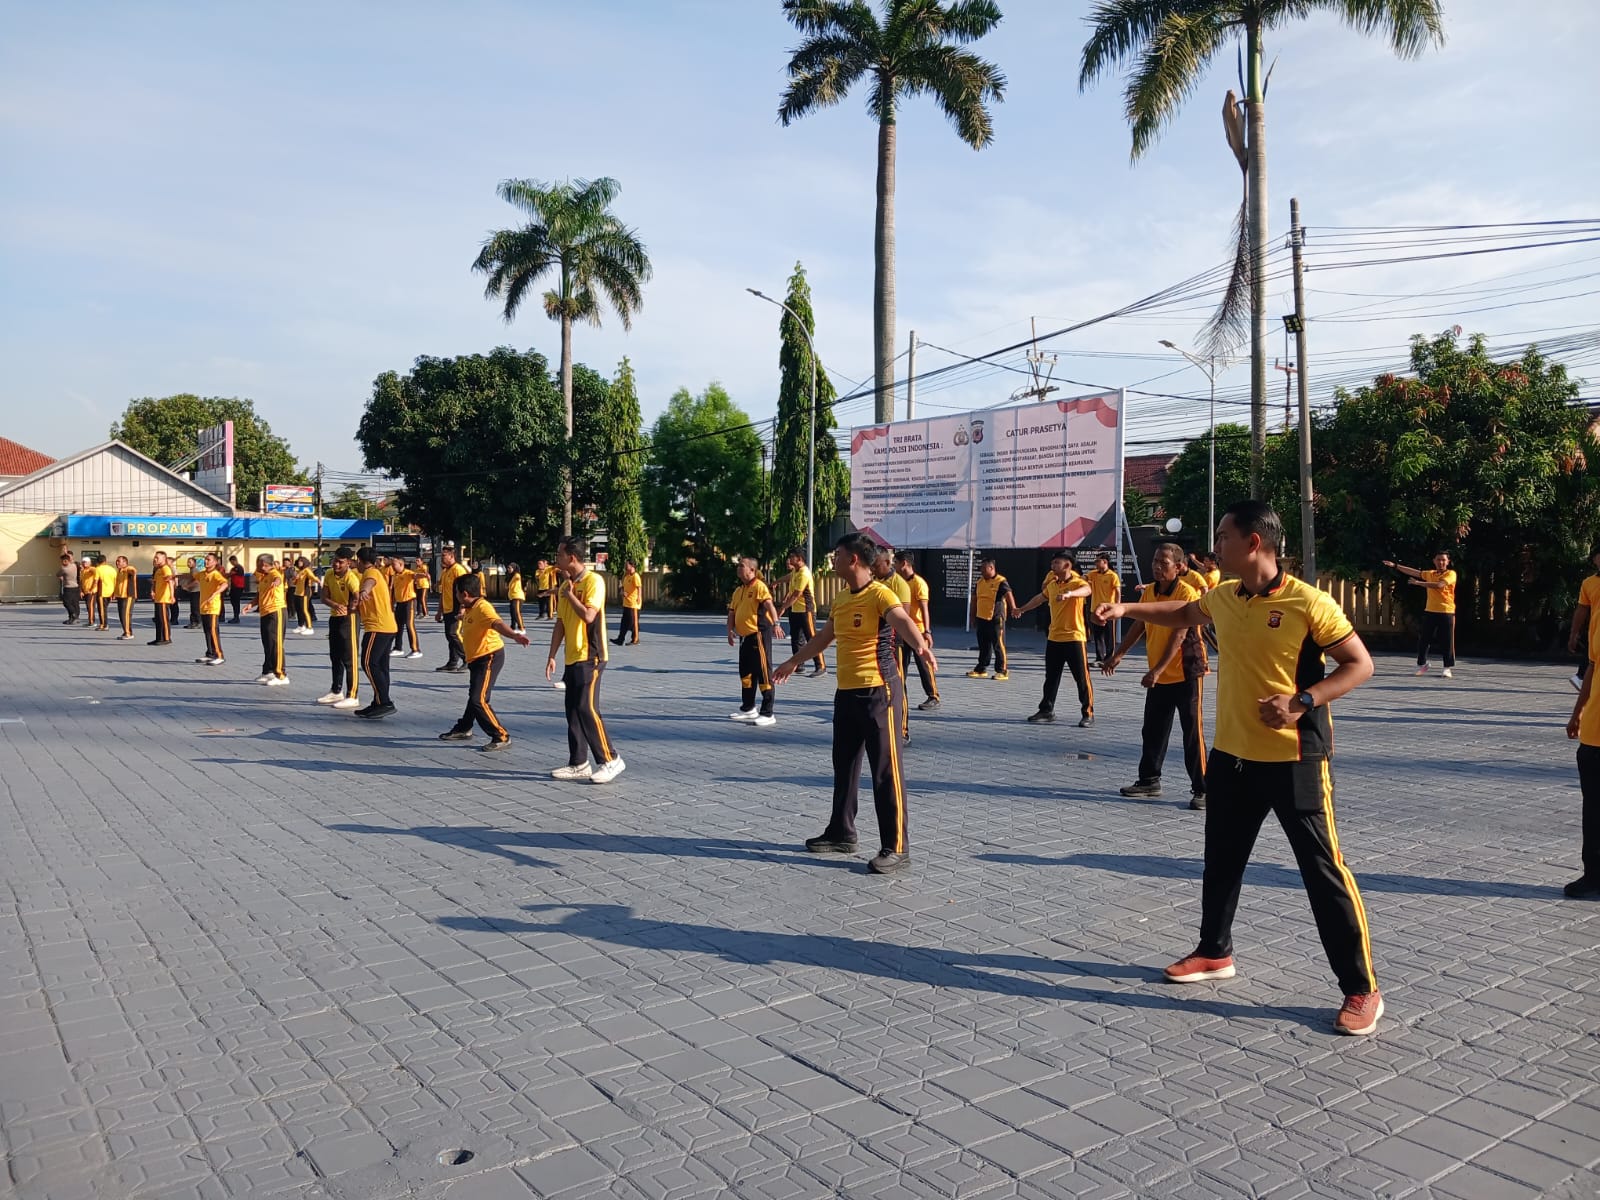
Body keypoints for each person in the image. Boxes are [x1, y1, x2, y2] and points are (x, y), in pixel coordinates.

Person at [1096, 499, 1382, 1036]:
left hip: (1296, 759)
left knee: (1323, 872)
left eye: (1224, 536)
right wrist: (1126, 610)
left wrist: (1303, 700)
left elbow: (1360, 664)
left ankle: (1362, 988)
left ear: (1254, 543)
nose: (1216, 545)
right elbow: (1182, 615)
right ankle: (1214, 952)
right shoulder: (1224, 597)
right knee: (1221, 862)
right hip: (1231, 756)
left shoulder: (1309, 604)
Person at [774, 534, 936, 874]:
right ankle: (841, 832)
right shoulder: (842, 598)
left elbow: (903, 620)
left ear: (854, 560)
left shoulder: (881, 594)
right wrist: (793, 661)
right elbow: (824, 637)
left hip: (880, 692)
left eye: (837, 554)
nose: (832, 560)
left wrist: (921, 645)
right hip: (846, 693)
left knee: (885, 772)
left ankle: (896, 847)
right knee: (844, 766)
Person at [1103, 542, 1208, 809]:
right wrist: (1119, 654)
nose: (1157, 567)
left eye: (1164, 563)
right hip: (1158, 675)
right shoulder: (1149, 591)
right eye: (1155, 562)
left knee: (1191, 732)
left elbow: (1179, 634)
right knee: (1153, 729)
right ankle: (1149, 780)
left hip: (1186, 671)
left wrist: (1157, 671)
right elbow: (1139, 623)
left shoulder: (1187, 592)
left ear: (1179, 567)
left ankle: (1203, 790)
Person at [545, 536, 623, 782]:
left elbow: (589, 616)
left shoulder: (593, 582)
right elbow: (560, 623)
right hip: (572, 656)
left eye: (559, 554)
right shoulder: (564, 586)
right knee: (573, 711)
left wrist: (570, 595)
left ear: (572, 557)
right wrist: (552, 655)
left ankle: (611, 759)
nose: (556, 558)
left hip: (592, 655)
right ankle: (578, 762)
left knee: (587, 708)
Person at [440, 573, 530, 750]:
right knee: (476, 695)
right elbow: (474, 622)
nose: (456, 597)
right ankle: (464, 728)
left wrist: (514, 635)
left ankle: (501, 735)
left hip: (489, 657)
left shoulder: (483, 607)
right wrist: (461, 617)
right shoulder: (471, 607)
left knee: (478, 699)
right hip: (476, 659)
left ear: (464, 594)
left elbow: (496, 623)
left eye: (457, 593)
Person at [1016, 553, 1096, 727]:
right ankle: (1046, 710)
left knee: (1082, 678)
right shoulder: (1052, 584)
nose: (1052, 565)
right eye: (1052, 562)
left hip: (1075, 637)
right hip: (1054, 638)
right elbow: (1039, 599)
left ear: (1067, 566)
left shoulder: (1077, 582)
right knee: (1051, 677)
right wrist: (1022, 609)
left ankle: (1087, 713)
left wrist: (1070, 595)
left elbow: (1087, 590)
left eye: (1057, 563)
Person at [1383, 553, 1456, 678]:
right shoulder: (1430, 573)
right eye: (1438, 560)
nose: (1441, 562)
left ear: (1448, 561)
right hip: (1430, 611)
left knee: (1447, 640)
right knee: (1424, 639)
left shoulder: (1451, 574)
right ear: (1434, 561)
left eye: (1443, 560)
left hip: (1446, 612)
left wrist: (1419, 583)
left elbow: (1439, 585)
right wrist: (1395, 565)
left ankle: (1447, 668)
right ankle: (1422, 665)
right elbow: (1414, 572)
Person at [727, 557, 781, 727]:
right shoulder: (738, 590)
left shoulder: (759, 586)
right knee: (746, 673)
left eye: (741, 566)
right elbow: (732, 612)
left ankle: (768, 712)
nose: (738, 568)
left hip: (758, 635)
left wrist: (776, 623)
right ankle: (748, 707)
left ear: (751, 570)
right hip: (744, 637)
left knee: (764, 672)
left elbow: (770, 606)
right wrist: (729, 630)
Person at [1564, 661, 1600, 899]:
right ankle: (1593, 874)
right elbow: (1592, 667)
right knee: (1594, 809)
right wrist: (1578, 713)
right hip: (1594, 732)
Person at [870, 550, 913, 745]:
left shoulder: (899, 585)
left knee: (898, 685)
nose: (873, 569)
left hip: (895, 643)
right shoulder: (873, 583)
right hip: (875, 643)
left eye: (876, 565)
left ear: (888, 562)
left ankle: (903, 730)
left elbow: (904, 618)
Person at [352, 546, 397, 718]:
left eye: (357, 561)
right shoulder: (376, 572)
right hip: (388, 626)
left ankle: (384, 702)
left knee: (369, 663)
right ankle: (378, 701)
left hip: (377, 628)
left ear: (361, 562)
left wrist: (364, 591)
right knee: (381, 666)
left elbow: (370, 584)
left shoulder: (370, 574)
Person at [893, 552, 941, 711]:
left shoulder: (918, 583)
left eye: (895, 562)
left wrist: (927, 631)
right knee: (901, 665)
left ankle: (933, 696)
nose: (893, 565)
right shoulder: (898, 582)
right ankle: (898, 693)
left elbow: (924, 609)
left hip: (918, 631)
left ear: (904, 563)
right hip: (902, 630)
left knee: (924, 665)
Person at [317, 547, 363, 710]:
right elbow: (323, 597)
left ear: (348, 563)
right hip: (335, 617)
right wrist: (336, 605)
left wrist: (349, 608)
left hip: (349, 619)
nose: (336, 564)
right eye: (335, 560)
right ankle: (336, 690)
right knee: (335, 655)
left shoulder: (352, 578)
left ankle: (353, 694)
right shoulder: (329, 574)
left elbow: (357, 598)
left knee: (349, 657)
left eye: (340, 562)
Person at [242, 553, 289, 685]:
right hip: (265, 612)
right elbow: (260, 595)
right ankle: (268, 671)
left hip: (276, 611)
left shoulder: (274, 573)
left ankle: (281, 675)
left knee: (276, 644)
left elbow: (278, 579)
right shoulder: (263, 577)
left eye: (258, 564)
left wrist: (276, 583)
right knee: (267, 643)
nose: (256, 567)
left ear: (264, 564)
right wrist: (250, 605)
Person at [966, 558, 1016, 681]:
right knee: (983, 645)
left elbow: (1008, 594)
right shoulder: (979, 582)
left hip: (996, 618)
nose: (981, 571)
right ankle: (981, 669)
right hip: (981, 617)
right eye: (980, 569)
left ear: (991, 568)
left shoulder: (1001, 581)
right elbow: (974, 600)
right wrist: (972, 616)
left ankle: (1002, 670)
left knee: (998, 644)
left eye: (984, 568)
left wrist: (1014, 608)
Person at [778, 548, 825, 676]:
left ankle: (820, 666)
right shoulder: (795, 571)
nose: (789, 559)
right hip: (795, 610)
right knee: (796, 638)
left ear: (799, 559)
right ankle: (799, 665)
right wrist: (776, 582)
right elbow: (789, 578)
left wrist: (783, 608)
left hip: (806, 611)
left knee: (812, 639)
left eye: (792, 556)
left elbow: (796, 595)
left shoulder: (804, 573)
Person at [1566, 546, 1600, 692]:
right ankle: (1582, 680)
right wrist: (1574, 633)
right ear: (1594, 560)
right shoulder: (1588, 583)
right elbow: (1582, 609)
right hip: (1596, 634)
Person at [435, 546, 469, 672]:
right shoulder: (445, 572)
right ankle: (452, 662)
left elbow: (465, 591)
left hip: (457, 607)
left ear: (451, 556)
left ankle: (467, 658)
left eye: (444, 556)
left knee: (454, 634)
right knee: (449, 636)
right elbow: (442, 593)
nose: (442, 559)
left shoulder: (458, 570)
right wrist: (439, 611)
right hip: (447, 609)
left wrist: (462, 608)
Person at [190, 554, 229, 664]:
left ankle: (219, 655)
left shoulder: (216, 574)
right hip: (203, 606)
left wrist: (216, 593)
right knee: (207, 631)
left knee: (213, 630)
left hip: (212, 607)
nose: (206, 561)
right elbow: (193, 577)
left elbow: (225, 584)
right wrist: (176, 577)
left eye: (208, 560)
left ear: (215, 562)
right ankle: (210, 653)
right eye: (205, 560)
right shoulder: (202, 574)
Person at [1086, 553, 1122, 667]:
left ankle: (1109, 659)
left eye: (1098, 561)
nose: (1096, 563)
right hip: (1095, 609)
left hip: (1108, 610)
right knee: (1097, 635)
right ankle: (1099, 658)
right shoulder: (1093, 574)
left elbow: (1117, 592)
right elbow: (1083, 578)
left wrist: (1117, 606)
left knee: (1109, 635)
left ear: (1105, 562)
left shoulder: (1113, 576)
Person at [391, 555, 422, 657]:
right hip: (399, 603)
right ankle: (398, 647)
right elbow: (394, 591)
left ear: (401, 564)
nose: (392, 566)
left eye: (394, 564)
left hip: (409, 602)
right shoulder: (395, 576)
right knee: (398, 626)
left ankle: (416, 650)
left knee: (409, 625)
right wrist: (392, 603)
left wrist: (424, 576)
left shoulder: (408, 573)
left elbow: (416, 576)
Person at [148, 551, 175, 645]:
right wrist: (152, 591)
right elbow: (154, 582)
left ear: (164, 559)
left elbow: (170, 582)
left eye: (157, 558)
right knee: (158, 619)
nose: (155, 559)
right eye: (155, 557)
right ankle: (159, 638)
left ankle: (166, 638)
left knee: (164, 619)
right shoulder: (158, 570)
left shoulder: (166, 569)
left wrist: (172, 596)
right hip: (158, 598)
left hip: (164, 598)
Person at [614, 561, 642, 645]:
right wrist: (622, 592)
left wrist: (639, 597)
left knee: (632, 623)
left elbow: (639, 587)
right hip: (626, 603)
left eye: (627, 565)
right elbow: (623, 587)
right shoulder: (626, 577)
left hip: (633, 604)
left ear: (632, 566)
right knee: (624, 623)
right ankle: (620, 639)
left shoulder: (635, 576)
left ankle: (635, 639)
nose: (625, 567)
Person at [113, 555, 137, 639]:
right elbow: (118, 584)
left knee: (126, 615)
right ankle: (126, 631)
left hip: (128, 596)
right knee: (121, 615)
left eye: (119, 561)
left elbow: (133, 571)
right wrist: (114, 593)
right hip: (120, 596)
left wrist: (127, 568)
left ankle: (128, 633)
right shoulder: (119, 571)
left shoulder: (128, 570)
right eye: (117, 561)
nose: (117, 562)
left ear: (125, 562)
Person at [291, 557, 317, 635]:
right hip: (297, 593)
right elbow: (295, 583)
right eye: (299, 561)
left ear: (304, 562)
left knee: (304, 610)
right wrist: (295, 578)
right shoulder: (299, 571)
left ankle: (310, 627)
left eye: (301, 562)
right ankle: (301, 626)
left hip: (305, 593)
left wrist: (319, 582)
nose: (299, 563)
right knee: (298, 610)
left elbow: (313, 577)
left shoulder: (307, 570)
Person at [95, 555, 117, 630]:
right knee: (104, 608)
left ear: (97, 562)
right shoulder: (112, 569)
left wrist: (92, 589)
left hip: (102, 592)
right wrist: (114, 593)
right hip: (111, 591)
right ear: (105, 561)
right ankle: (104, 624)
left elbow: (96, 581)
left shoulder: (98, 569)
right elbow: (115, 581)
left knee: (102, 609)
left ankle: (104, 625)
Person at [58, 551, 81, 625]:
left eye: (63, 561)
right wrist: (66, 553)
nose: (62, 562)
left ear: (65, 561)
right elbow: (71, 560)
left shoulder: (64, 569)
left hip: (68, 587)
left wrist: (61, 576)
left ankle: (73, 614)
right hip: (76, 586)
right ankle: (73, 618)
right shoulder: (74, 565)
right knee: (75, 603)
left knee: (66, 602)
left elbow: (57, 574)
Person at [180, 558, 202, 628]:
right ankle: (193, 622)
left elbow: (196, 581)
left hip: (196, 591)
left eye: (190, 562)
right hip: (193, 591)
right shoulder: (191, 570)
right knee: (193, 608)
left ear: (194, 563)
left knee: (196, 608)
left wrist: (187, 586)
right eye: (188, 562)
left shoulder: (195, 570)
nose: (188, 563)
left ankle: (198, 622)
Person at [505, 561, 526, 634]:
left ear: (514, 568)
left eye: (510, 568)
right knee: (512, 612)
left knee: (517, 612)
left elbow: (518, 577)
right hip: (512, 597)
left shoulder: (516, 575)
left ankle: (522, 628)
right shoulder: (510, 577)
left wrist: (515, 578)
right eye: (508, 568)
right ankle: (512, 627)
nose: (509, 569)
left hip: (517, 596)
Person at [226, 556, 246, 624]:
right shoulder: (234, 568)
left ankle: (236, 617)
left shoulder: (238, 567)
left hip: (238, 587)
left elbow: (230, 574)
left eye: (231, 562)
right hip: (234, 586)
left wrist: (222, 575)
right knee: (233, 601)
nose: (231, 563)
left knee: (236, 602)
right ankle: (235, 617)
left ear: (234, 560)